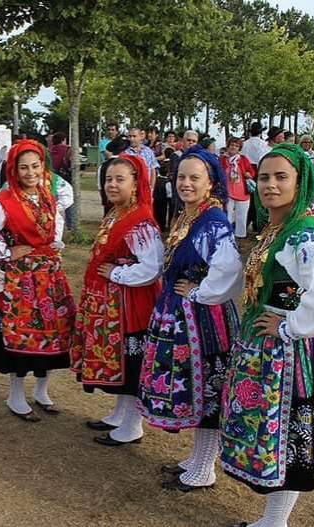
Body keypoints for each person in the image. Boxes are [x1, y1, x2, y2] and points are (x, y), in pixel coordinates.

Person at [221, 143, 314, 527]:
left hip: (293, 353)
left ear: (301, 183)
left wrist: (287, 324)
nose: (270, 185)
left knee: (291, 440)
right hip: (274, 347)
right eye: (264, 177)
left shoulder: (303, 236)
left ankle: (273, 523)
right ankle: (271, 522)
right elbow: (290, 287)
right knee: (284, 441)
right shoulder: (279, 229)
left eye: (282, 177)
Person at [138, 145, 242, 492]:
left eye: (194, 178)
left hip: (205, 319)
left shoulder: (213, 221)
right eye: (182, 176)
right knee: (196, 392)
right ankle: (197, 459)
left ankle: (204, 469)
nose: (185, 183)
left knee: (208, 392)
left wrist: (198, 292)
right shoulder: (190, 216)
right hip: (183, 314)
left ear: (210, 182)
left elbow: (228, 270)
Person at [0, 139, 76, 422]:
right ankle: (15, 395)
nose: (29, 172)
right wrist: (4, 251)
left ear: (42, 167)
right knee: (19, 334)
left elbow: (54, 225)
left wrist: (55, 245)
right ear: (13, 169)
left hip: (49, 275)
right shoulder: (5, 202)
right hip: (20, 278)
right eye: (23, 167)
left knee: (54, 331)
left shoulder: (48, 195)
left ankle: (42, 390)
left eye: (35, 166)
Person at [72, 154, 163, 445]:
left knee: (131, 361)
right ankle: (120, 414)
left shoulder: (141, 221)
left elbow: (151, 268)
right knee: (121, 361)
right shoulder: (117, 213)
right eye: (109, 179)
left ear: (136, 184)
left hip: (130, 305)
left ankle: (132, 425)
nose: (112, 184)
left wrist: (118, 274)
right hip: (112, 303)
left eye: (119, 179)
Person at [221, 137, 256, 239]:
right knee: (228, 215)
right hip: (228, 191)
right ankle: (227, 236)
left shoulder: (243, 159)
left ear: (239, 148)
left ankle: (240, 236)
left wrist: (249, 174)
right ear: (228, 146)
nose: (234, 147)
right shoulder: (222, 159)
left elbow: (252, 171)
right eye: (232, 145)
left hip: (243, 192)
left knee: (242, 216)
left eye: (236, 146)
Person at [99, 137, 129, 215]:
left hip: (108, 202)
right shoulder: (127, 165)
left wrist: (104, 199)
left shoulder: (102, 166)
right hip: (124, 202)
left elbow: (99, 186)